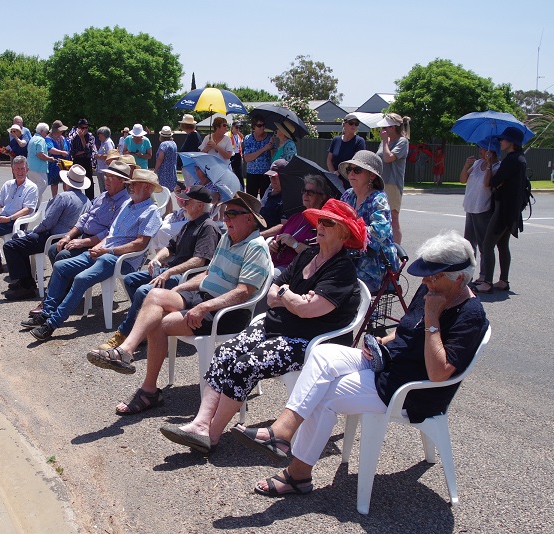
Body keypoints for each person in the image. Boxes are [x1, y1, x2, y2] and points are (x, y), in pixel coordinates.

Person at [235, 231, 487, 498]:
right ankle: (281, 431)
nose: (425, 281)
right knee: (322, 354)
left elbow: (439, 374)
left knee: (323, 395)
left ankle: (297, 474)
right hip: (389, 363)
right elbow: (407, 329)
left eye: (432, 276)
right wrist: (383, 340)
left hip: (409, 389)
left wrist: (433, 318)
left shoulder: (470, 315)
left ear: (459, 277)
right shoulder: (433, 289)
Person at [159, 199, 365, 454]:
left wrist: (287, 297)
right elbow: (271, 293)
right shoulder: (308, 254)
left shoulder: (342, 269)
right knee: (225, 353)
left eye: (328, 223)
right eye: (320, 221)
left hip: (310, 341)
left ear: (344, 232)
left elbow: (308, 310)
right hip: (278, 326)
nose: (320, 226)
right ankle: (200, 423)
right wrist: (292, 297)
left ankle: (211, 436)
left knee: (247, 364)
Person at [88, 192, 272, 416]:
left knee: (160, 323)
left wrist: (204, 307)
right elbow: (207, 273)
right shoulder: (228, 238)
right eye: (225, 213)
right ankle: (126, 350)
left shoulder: (256, 247)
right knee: (156, 295)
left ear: (249, 219)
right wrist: (178, 290)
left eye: (232, 214)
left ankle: (148, 391)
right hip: (204, 297)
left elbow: (243, 293)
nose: (226, 219)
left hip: (226, 313)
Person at [21, 169, 162, 342]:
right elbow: (111, 234)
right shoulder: (128, 205)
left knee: (81, 278)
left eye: (134, 184)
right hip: (105, 252)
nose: (130, 186)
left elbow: (140, 244)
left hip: (121, 259)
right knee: (60, 266)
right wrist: (98, 247)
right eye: (130, 183)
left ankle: (52, 324)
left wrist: (107, 251)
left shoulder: (151, 211)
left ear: (147, 187)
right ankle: (46, 313)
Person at [91, 184, 220, 352]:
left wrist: (169, 271)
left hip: (187, 278)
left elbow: (199, 261)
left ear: (200, 205)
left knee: (144, 291)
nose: (183, 205)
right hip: (172, 271)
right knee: (131, 280)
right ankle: (145, 327)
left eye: (187, 202)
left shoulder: (208, 227)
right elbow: (170, 247)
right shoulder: (190, 223)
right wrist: (157, 259)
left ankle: (125, 333)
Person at [2, 164, 91, 300]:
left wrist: (32, 231)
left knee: (11, 246)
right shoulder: (87, 201)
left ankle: (26, 286)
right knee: (19, 241)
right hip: (68, 237)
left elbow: (48, 222)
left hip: (52, 237)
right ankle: (25, 281)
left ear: (66, 182)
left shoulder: (64, 197)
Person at [339, 150, 400, 292]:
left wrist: (349, 230)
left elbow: (379, 233)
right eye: (349, 169)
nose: (351, 173)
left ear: (372, 175)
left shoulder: (378, 198)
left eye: (357, 170)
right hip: (350, 256)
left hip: (374, 260)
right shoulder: (348, 196)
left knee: (340, 284)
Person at [474, 127, 526, 294]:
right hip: (511, 210)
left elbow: (493, 182)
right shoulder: (520, 158)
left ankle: (487, 282)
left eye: (503, 139)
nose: (500, 142)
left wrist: (489, 164)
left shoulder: (511, 160)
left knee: (488, 244)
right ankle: (503, 280)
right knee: (503, 245)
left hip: (503, 209)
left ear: (511, 142)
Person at [268, 174, 331, 271]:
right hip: (272, 263)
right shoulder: (296, 217)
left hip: (293, 270)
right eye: (304, 191)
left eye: (310, 192)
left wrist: (294, 244)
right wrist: (273, 244)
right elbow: (275, 238)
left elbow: (318, 255)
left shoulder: (324, 224)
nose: (305, 195)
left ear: (322, 197)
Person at [460, 141, 499, 283]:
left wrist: (488, 164)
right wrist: (466, 165)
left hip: (482, 208)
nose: (480, 150)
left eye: (482, 148)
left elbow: (486, 184)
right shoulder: (477, 164)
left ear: (492, 151)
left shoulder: (495, 167)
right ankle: (468, 273)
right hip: (470, 207)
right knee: (469, 245)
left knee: (484, 245)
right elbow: (463, 180)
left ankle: (484, 276)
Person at [376, 113, 411, 245]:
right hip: (380, 183)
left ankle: (396, 250)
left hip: (392, 184)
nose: (382, 130)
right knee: (380, 216)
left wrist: (385, 141)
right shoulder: (385, 141)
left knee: (393, 218)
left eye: (385, 127)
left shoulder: (402, 142)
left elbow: (388, 158)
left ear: (392, 127)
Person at [327, 113, 366, 189]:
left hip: (351, 181)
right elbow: (329, 160)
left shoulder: (359, 141)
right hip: (335, 180)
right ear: (344, 124)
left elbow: (357, 162)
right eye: (351, 123)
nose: (354, 126)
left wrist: (340, 173)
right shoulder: (336, 140)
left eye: (356, 124)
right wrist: (334, 175)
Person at [242, 118, 275, 198]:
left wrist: (271, 148)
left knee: (265, 199)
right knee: (250, 200)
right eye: (259, 125)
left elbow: (273, 158)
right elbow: (247, 158)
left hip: (265, 174)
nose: (262, 128)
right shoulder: (248, 138)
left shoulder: (269, 138)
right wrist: (264, 149)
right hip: (252, 174)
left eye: (264, 125)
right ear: (254, 127)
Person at [71, 119, 97, 200]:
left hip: (86, 161)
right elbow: (73, 152)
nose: (84, 130)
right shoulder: (74, 137)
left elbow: (88, 150)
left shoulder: (90, 137)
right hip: (77, 161)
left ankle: (90, 199)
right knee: (75, 180)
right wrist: (83, 151)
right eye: (82, 128)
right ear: (78, 128)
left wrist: (82, 138)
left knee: (89, 181)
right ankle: (76, 199)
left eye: (86, 128)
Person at [259, 159, 287, 236]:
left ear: (284, 177)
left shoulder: (287, 198)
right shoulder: (270, 188)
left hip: (271, 237)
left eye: (275, 177)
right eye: (271, 177)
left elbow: (283, 226)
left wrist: (261, 235)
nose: (272, 180)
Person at [27, 123, 53, 199]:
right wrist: (49, 158)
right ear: (41, 131)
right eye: (46, 132)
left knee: (34, 185)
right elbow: (40, 154)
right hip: (38, 167)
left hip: (30, 166)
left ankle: (35, 207)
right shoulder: (41, 140)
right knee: (43, 183)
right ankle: (30, 199)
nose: (47, 134)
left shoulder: (33, 138)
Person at [46, 120, 71, 199]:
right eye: (60, 130)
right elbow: (50, 149)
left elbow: (68, 148)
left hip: (65, 162)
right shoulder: (48, 138)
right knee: (54, 182)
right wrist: (61, 152)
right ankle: (54, 198)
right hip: (54, 163)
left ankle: (67, 198)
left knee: (66, 180)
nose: (62, 132)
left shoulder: (63, 138)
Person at [154, 126, 178, 192]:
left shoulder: (164, 144)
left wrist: (155, 170)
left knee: (163, 191)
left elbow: (160, 158)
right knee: (169, 192)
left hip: (164, 172)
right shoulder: (174, 144)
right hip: (172, 171)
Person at [94, 126, 115, 194]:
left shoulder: (108, 143)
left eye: (99, 135)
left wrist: (99, 156)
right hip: (101, 169)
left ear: (103, 134)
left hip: (105, 169)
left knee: (106, 189)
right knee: (102, 189)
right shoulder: (104, 142)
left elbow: (110, 155)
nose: (99, 137)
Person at [229, 121, 245, 188]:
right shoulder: (228, 135)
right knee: (230, 173)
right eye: (236, 127)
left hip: (238, 156)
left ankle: (242, 189)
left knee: (239, 175)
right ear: (232, 127)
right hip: (230, 156)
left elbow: (241, 145)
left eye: (239, 128)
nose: (238, 129)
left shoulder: (239, 136)